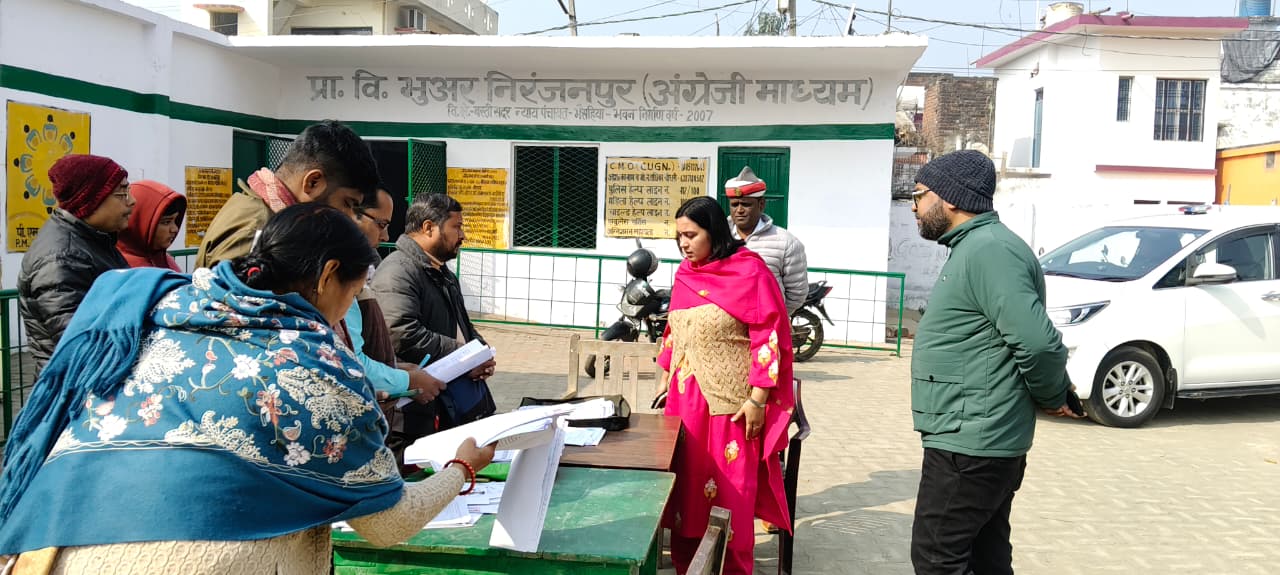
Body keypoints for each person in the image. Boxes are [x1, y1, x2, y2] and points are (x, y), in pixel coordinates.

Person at [0, 203, 495, 574]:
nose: (350, 308)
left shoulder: (164, 313)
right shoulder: (315, 365)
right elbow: (388, 523)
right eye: (353, 291)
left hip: (54, 544)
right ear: (328, 276)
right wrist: (462, 467)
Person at [908, 150, 1082, 575]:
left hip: (972, 441)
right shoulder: (976, 247)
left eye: (919, 195)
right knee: (984, 557)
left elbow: (1038, 344)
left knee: (936, 558)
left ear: (950, 198)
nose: (913, 206)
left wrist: (1053, 395)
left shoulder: (989, 251)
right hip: (971, 432)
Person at [658, 195, 796, 575]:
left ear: (714, 232)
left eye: (691, 235)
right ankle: (688, 566)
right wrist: (665, 375)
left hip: (731, 407)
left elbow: (768, 336)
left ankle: (732, 568)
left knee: (729, 492)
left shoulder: (749, 272)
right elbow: (674, 330)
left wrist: (758, 399)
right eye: (679, 236)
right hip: (684, 403)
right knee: (686, 492)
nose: (684, 244)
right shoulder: (685, 273)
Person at [372, 193, 496, 436]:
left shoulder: (441, 271)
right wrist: (464, 359)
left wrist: (480, 352)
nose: (463, 235)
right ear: (429, 228)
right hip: (413, 413)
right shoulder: (397, 271)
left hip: (446, 402)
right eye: (456, 227)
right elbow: (402, 333)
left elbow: (462, 324)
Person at [347, 188, 448, 470]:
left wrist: (399, 369)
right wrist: (408, 380)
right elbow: (352, 363)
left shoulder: (440, 271)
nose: (385, 236)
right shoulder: (394, 272)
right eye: (381, 224)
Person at [195, 120, 380, 268]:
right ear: (313, 182)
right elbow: (230, 303)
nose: (350, 217)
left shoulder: (268, 218)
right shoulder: (258, 231)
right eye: (348, 203)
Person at [18, 154, 133, 372]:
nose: (132, 201)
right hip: (74, 384)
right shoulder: (62, 258)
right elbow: (81, 344)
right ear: (90, 199)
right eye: (122, 193)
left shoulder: (92, 240)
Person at [723, 166, 808, 315]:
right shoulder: (719, 238)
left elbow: (797, 293)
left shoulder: (786, 243)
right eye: (735, 204)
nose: (739, 210)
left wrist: (770, 316)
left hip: (767, 325)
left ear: (761, 204)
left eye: (746, 204)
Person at [117, 180, 187, 272]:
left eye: (176, 220)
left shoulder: (164, 259)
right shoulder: (122, 268)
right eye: (166, 222)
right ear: (140, 222)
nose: (175, 229)